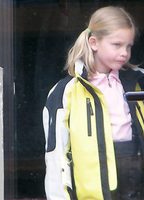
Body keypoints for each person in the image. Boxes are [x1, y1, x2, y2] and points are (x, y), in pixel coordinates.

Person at [42, 6, 144, 200]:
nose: (124, 53)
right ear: (94, 42)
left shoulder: (139, 82)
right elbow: (57, 156)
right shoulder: (66, 91)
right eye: (117, 44)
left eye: (129, 46)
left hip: (136, 177)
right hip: (94, 191)